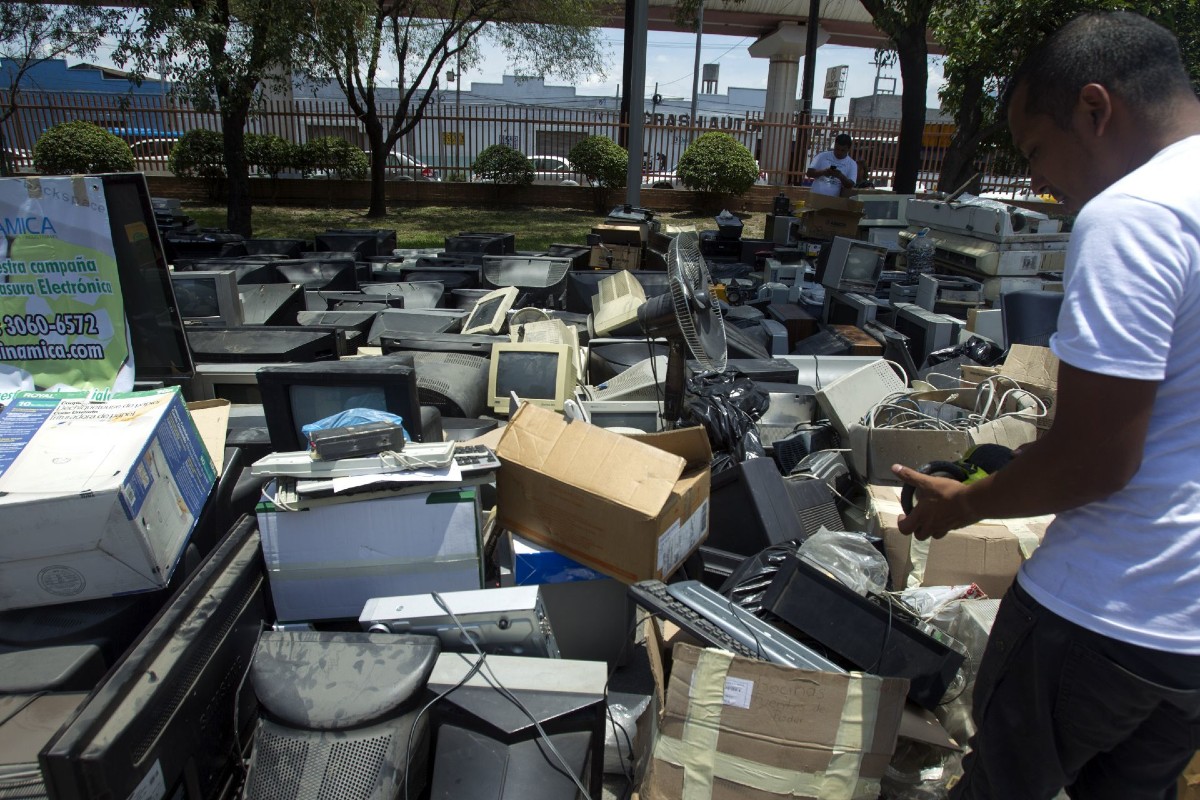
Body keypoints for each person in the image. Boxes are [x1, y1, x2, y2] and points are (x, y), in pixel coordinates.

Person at [891, 11, 1200, 800]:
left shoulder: (1137, 213)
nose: (1041, 183)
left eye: (1037, 151)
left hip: (1107, 608)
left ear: (1096, 110)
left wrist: (963, 505)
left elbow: (1096, 461)